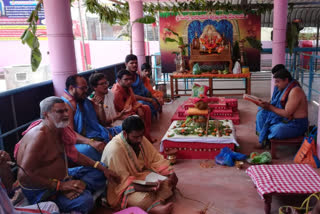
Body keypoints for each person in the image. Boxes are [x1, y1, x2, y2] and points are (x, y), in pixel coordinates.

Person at [15, 96, 119, 213]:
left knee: (101, 170)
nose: (66, 115)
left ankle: (77, 188)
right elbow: (24, 176)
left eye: (66, 110)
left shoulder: (59, 129)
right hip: (42, 189)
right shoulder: (39, 136)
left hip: (65, 176)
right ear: (46, 114)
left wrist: (100, 167)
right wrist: (60, 186)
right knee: (85, 201)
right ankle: (70, 193)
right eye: (60, 111)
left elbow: (76, 155)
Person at [101, 116, 178, 214]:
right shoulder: (115, 150)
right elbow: (121, 182)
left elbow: (155, 157)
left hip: (141, 177)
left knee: (168, 182)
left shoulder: (139, 138)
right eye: (136, 137)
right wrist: (149, 188)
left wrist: (170, 172)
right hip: (120, 188)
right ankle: (155, 206)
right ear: (125, 134)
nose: (139, 140)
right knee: (142, 199)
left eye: (141, 135)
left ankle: (156, 204)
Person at [61, 74, 122, 161]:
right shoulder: (66, 105)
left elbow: (102, 122)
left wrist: (100, 106)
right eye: (82, 88)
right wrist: (91, 142)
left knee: (127, 128)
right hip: (81, 141)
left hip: (96, 133)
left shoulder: (84, 100)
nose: (86, 91)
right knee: (89, 150)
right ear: (71, 88)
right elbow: (70, 134)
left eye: (86, 88)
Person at [256, 68, 308, 147]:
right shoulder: (285, 88)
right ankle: (265, 140)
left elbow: (287, 113)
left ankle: (267, 137)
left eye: (278, 82)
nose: (275, 84)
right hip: (286, 121)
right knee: (262, 114)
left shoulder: (295, 91)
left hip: (297, 124)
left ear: (286, 80)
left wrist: (269, 107)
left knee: (277, 130)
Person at [112, 70, 154, 143]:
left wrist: (139, 107)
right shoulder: (117, 93)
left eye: (130, 79)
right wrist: (136, 109)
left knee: (146, 108)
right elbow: (123, 110)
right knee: (135, 117)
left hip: (130, 109)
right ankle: (141, 138)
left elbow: (133, 100)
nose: (129, 81)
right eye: (126, 79)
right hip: (120, 114)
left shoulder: (128, 87)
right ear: (119, 80)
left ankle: (146, 136)